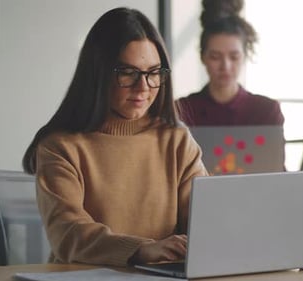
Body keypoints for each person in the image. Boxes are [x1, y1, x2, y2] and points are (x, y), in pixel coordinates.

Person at [22, 7, 208, 267]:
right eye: (128, 73)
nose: (143, 87)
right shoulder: (60, 147)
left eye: (154, 72)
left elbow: (206, 224)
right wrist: (142, 250)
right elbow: (68, 233)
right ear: (98, 74)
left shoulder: (176, 140)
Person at [176, 0, 284, 126]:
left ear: (244, 56)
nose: (225, 66)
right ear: (202, 57)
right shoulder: (182, 111)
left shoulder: (266, 111)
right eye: (215, 57)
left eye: (234, 57)